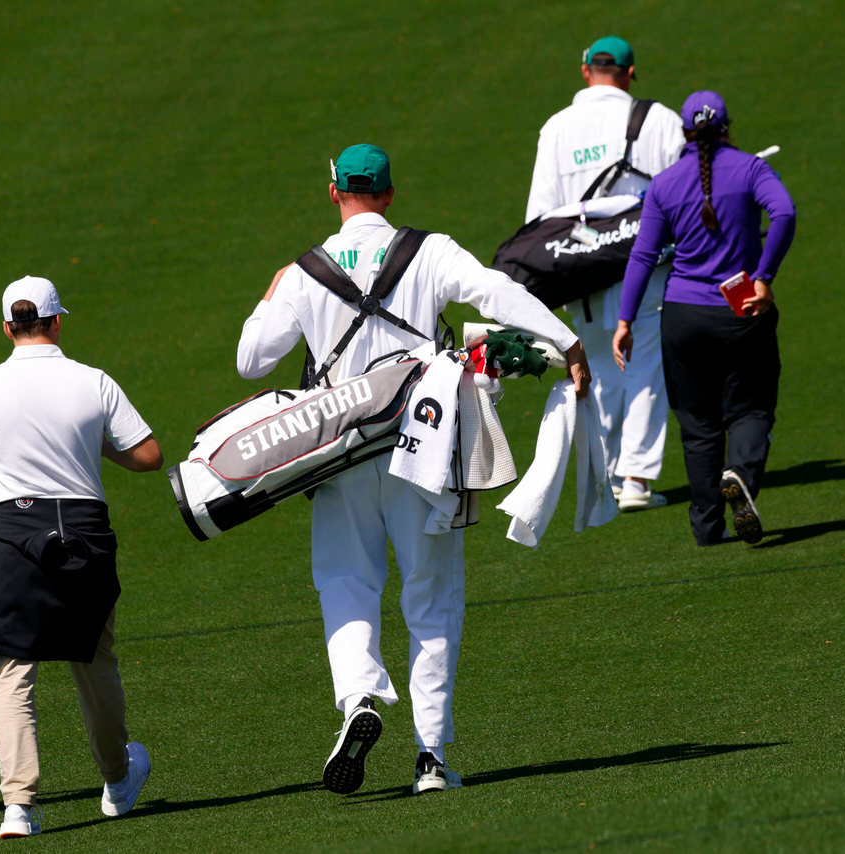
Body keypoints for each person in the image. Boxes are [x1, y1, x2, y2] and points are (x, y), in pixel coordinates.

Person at [237, 144, 590, 795]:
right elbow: (498, 291)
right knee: (432, 599)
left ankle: (360, 700)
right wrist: (566, 342)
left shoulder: (305, 271)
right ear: (390, 194)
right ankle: (431, 758)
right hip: (424, 448)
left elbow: (251, 360)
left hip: (339, 454)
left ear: (334, 191)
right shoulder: (428, 251)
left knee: (346, 582)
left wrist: (276, 291)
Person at [0, 276, 163, 838]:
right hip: (84, 532)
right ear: (56, 321)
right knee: (94, 663)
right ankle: (118, 782)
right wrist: (92, 442)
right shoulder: (92, 381)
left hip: (11, 532)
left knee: (11, 674)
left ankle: (17, 807)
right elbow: (148, 455)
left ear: (7, 328)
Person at [614, 91, 796, 546]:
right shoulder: (752, 169)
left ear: (684, 132)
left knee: (697, 425)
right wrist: (764, 276)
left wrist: (625, 320)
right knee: (751, 408)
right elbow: (785, 212)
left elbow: (643, 254)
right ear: (727, 127)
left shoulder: (664, 183)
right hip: (741, 312)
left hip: (682, 317)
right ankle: (740, 475)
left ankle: (707, 527)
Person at [525, 35, 685, 511]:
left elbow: (540, 215)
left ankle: (609, 477)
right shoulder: (659, 120)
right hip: (647, 265)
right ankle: (634, 479)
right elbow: (685, 191)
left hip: (582, 270)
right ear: (630, 73)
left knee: (594, 366)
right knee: (646, 365)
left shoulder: (556, 127)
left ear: (584, 71)